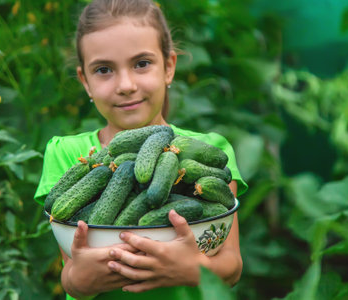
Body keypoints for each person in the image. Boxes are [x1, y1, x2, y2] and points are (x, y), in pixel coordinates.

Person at [34, 0, 248, 299]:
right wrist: (85, 276)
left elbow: (231, 267)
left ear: (169, 67)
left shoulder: (207, 151)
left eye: (141, 64)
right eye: (104, 69)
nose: (125, 84)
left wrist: (192, 268)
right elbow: (72, 279)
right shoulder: (67, 154)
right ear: (85, 81)